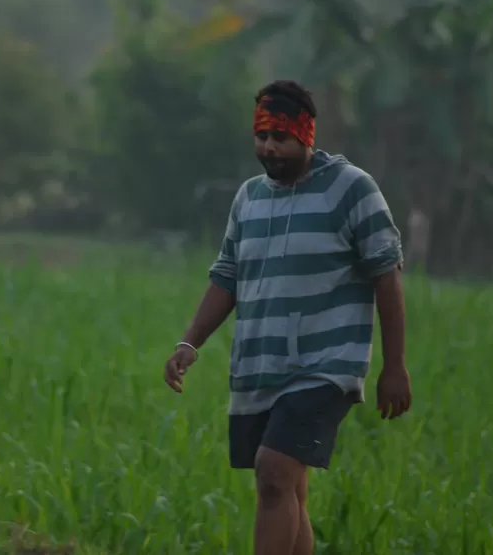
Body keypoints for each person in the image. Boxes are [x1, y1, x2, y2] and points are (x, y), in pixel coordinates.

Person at [163, 79, 411, 555]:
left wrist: (394, 366)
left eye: (280, 137)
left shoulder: (351, 189)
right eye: (261, 137)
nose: (269, 148)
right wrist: (189, 343)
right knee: (285, 487)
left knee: (274, 469)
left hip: (325, 365)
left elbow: (386, 274)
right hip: (260, 364)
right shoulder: (250, 198)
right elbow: (227, 276)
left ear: (306, 136)